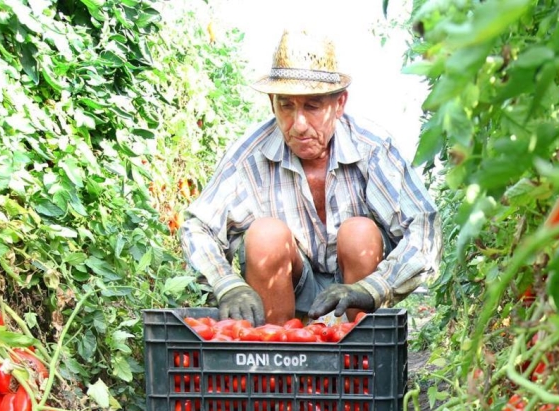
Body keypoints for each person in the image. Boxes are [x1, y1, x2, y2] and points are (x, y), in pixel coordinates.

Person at [179, 30, 441, 326]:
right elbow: (197, 227)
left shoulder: (372, 148)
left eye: (312, 106)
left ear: (339, 104)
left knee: (360, 234)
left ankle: (361, 355)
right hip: (288, 285)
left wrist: (373, 288)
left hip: (358, 285)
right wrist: (227, 284)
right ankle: (276, 356)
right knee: (266, 236)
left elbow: (423, 227)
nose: (299, 124)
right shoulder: (250, 155)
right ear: (271, 104)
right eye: (286, 105)